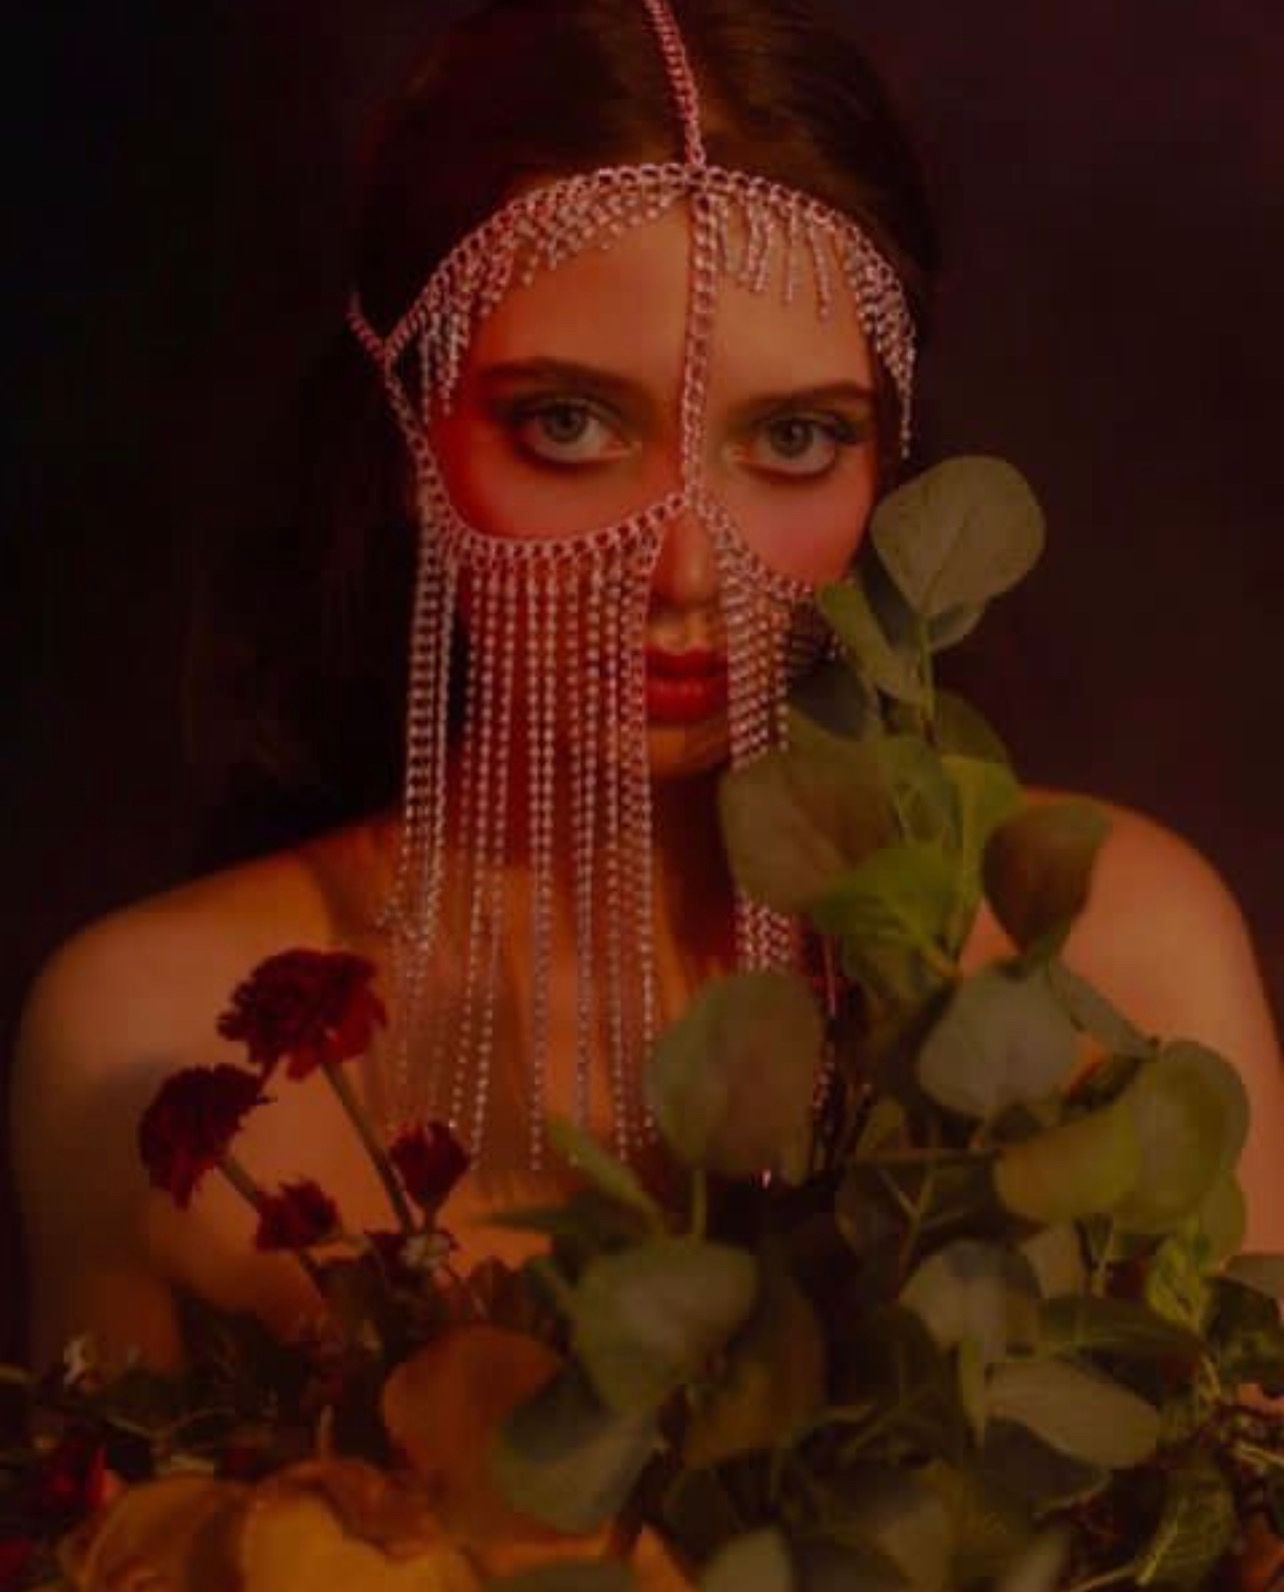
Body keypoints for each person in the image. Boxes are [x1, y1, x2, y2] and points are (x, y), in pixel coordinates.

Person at [10, 0, 1284, 1376]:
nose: (681, 565)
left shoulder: (1117, 954)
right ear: (401, 435)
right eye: (566, 424)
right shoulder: (152, 1040)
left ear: (888, 468)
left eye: (794, 437)